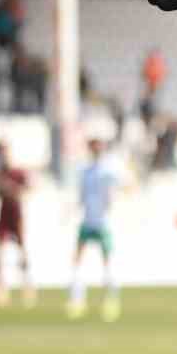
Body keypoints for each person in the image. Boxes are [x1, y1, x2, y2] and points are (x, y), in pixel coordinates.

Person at [68, 137, 124, 322]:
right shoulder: (86, 171)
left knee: (107, 262)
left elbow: (123, 184)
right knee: (77, 261)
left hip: (103, 222)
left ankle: (111, 299)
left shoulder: (108, 170)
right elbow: (81, 196)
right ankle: (77, 299)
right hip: (87, 221)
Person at [0, 140, 34, 307]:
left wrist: (14, 190)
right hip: (3, 214)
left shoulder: (17, 172)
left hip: (16, 213)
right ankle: (1, 287)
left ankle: (27, 284)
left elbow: (29, 188)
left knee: (22, 250)